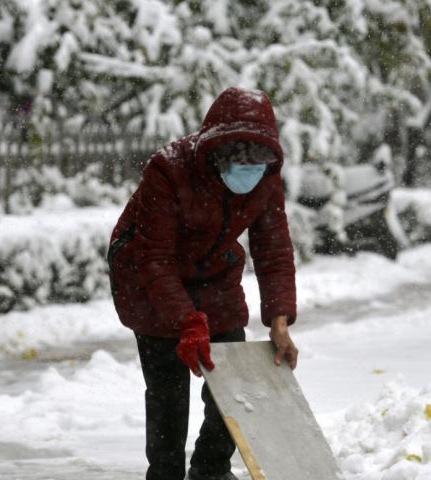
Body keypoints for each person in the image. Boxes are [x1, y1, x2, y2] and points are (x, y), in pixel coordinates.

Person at [107, 87, 299, 480]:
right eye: (237, 159)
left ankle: (210, 469)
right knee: (168, 393)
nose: (248, 169)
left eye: (257, 161)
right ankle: (165, 474)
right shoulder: (169, 168)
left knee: (232, 380)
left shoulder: (265, 176)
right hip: (147, 277)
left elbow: (273, 248)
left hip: (214, 272)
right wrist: (185, 320)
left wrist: (279, 320)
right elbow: (154, 256)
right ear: (215, 152)